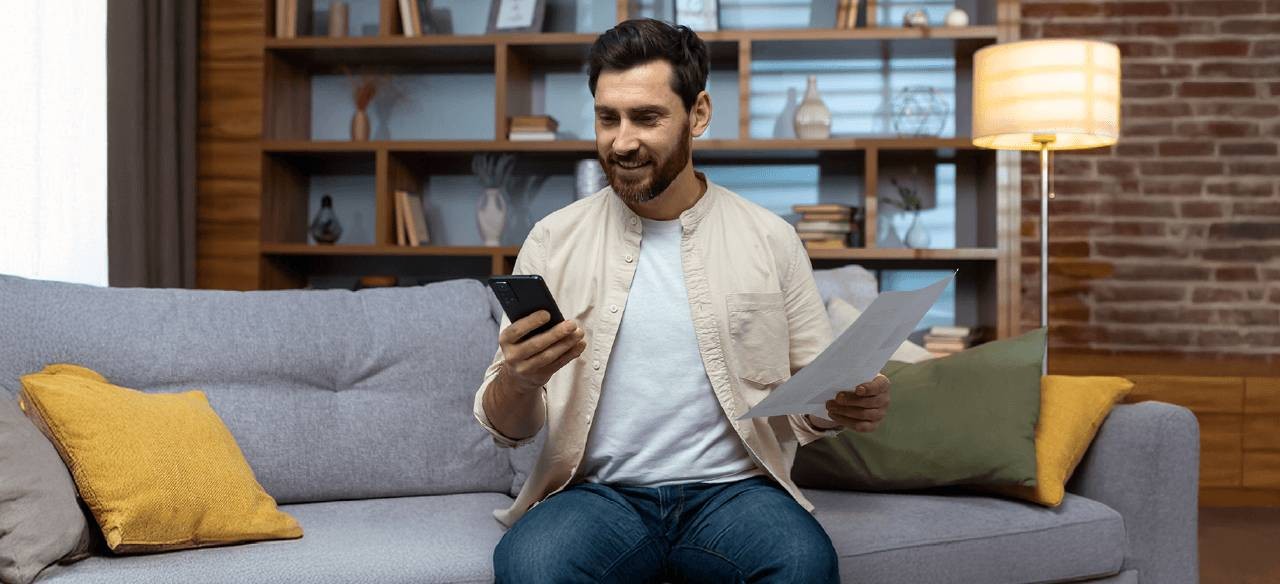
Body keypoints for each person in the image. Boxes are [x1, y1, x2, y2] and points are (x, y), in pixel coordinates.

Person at [473, 18, 891, 583]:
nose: (622, 141)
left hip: (735, 493)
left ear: (698, 114)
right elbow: (509, 427)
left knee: (803, 564)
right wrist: (519, 380)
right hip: (598, 496)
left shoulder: (771, 238)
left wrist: (839, 403)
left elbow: (809, 396)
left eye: (647, 118)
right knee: (531, 566)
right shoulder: (552, 240)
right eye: (607, 118)